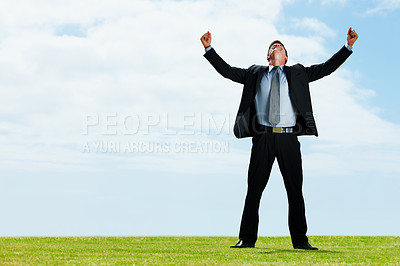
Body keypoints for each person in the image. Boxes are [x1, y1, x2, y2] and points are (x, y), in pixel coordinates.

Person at [200, 28, 358, 250]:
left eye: (281, 47)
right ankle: (246, 238)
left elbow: (326, 69)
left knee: (295, 191)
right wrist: (209, 48)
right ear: (268, 57)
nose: (277, 47)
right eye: (273, 47)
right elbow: (227, 71)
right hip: (262, 137)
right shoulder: (255, 73)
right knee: (254, 190)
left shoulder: (298, 73)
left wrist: (347, 47)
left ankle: (300, 241)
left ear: (286, 57)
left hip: (288, 139)